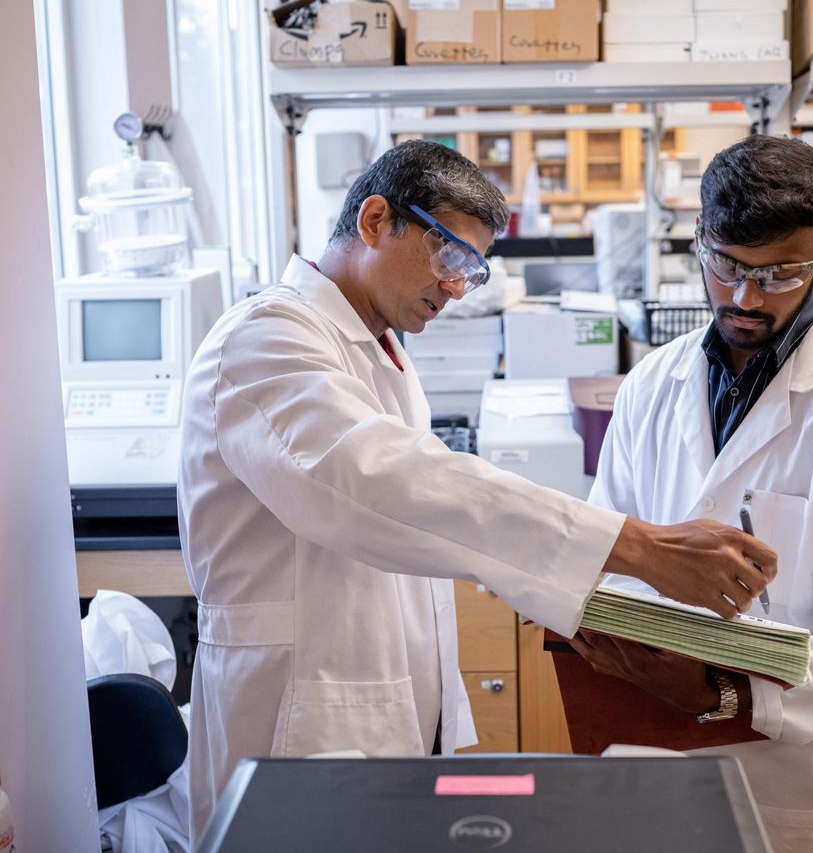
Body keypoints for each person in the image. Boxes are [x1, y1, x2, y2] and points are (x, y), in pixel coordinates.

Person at [177, 140, 776, 841]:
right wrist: (635, 547)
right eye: (450, 257)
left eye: (473, 269)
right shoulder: (263, 340)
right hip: (292, 727)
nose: (458, 287)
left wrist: (587, 603)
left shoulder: (378, 351)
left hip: (375, 714)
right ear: (375, 220)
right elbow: (379, 486)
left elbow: (429, 538)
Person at [569, 134, 813, 853]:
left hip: (790, 780)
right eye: (726, 265)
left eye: (779, 273)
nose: (743, 296)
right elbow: (610, 556)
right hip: (652, 759)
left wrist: (722, 697)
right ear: (700, 238)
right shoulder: (649, 387)